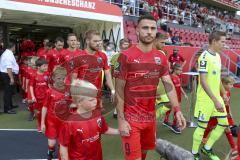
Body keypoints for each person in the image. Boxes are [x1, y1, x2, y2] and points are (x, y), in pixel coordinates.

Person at [114, 15, 186, 160]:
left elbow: (168, 84)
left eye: (152, 28)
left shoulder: (160, 57)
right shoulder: (125, 56)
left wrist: (177, 109)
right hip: (131, 119)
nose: (149, 32)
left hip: (150, 117)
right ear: (137, 31)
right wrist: (121, 120)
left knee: (144, 152)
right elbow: (119, 89)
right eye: (145, 28)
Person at [59, 79, 119, 160]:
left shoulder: (97, 114)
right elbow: (63, 146)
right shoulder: (70, 123)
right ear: (79, 102)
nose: (95, 101)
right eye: (91, 100)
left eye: (95, 98)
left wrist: (119, 131)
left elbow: (104, 129)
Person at [192, 31, 228, 160]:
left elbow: (217, 78)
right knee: (202, 127)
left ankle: (206, 148)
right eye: (222, 42)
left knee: (223, 123)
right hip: (205, 99)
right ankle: (194, 153)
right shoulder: (204, 57)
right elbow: (203, 81)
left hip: (216, 98)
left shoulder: (217, 56)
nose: (224, 44)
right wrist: (214, 99)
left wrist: (223, 93)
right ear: (214, 41)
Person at [76, 30, 115, 108]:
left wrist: (112, 89)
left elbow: (107, 73)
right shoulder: (78, 56)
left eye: (100, 41)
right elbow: (72, 78)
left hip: (97, 95)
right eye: (95, 41)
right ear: (87, 41)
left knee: (96, 117)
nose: (98, 43)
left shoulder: (102, 55)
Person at [202, 76, 237, 151]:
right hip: (217, 113)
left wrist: (229, 111)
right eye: (230, 84)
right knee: (210, 127)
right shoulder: (218, 92)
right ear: (224, 84)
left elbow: (228, 103)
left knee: (227, 129)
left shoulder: (228, 92)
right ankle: (203, 138)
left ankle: (233, 147)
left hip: (225, 113)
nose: (232, 86)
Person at [41, 66, 68, 159]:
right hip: (51, 121)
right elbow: (44, 107)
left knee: (63, 142)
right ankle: (50, 151)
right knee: (52, 142)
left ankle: (62, 155)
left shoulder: (68, 91)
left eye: (63, 78)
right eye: (58, 78)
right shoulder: (49, 91)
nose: (61, 80)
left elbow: (72, 105)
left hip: (64, 121)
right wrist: (42, 123)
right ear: (53, 78)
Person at [162, 63, 188, 134]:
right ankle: (174, 125)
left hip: (178, 97)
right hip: (173, 98)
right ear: (175, 70)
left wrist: (184, 94)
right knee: (175, 110)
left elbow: (180, 87)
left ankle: (165, 121)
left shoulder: (178, 77)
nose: (181, 72)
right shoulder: (170, 77)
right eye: (180, 70)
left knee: (173, 109)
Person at [111, 38, 131, 118]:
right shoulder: (115, 56)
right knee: (118, 94)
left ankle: (126, 110)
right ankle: (116, 111)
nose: (126, 46)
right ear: (120, 46)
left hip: (128, 79)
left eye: (127, 44)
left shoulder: (131, 55)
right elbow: (113, 69)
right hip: (118, 78)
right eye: (124, 44)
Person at [29, 58, 49, 132]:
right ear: (38, 67)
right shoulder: (34, 75)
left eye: (47, 66)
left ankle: (45, 124)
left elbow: (49, 85)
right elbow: (31, 86)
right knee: (38, 112)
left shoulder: (47, 74)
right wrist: (33, 96)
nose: (46, 67)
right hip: (37, 98)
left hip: (46, 97)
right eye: (44, 66)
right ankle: (40, 124)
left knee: (47, 111)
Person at [0, 41, 19, 114]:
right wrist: (11, 78)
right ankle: (7, 109)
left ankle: (10, 105)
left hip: (6, 74)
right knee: (8, 92)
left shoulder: (8, 53)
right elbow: (8, 68)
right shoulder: (8, 54)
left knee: (10, 91)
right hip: (7, 74)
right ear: (13, 46)